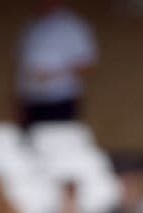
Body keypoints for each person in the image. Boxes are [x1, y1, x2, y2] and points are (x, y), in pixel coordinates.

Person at [15, 0, 98, 129]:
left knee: (57, 142)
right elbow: (22, 65)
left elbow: (87, 64)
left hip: (60, 99)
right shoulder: (33, 26)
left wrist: (52, 75)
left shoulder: (72, 26)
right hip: (30, 99)